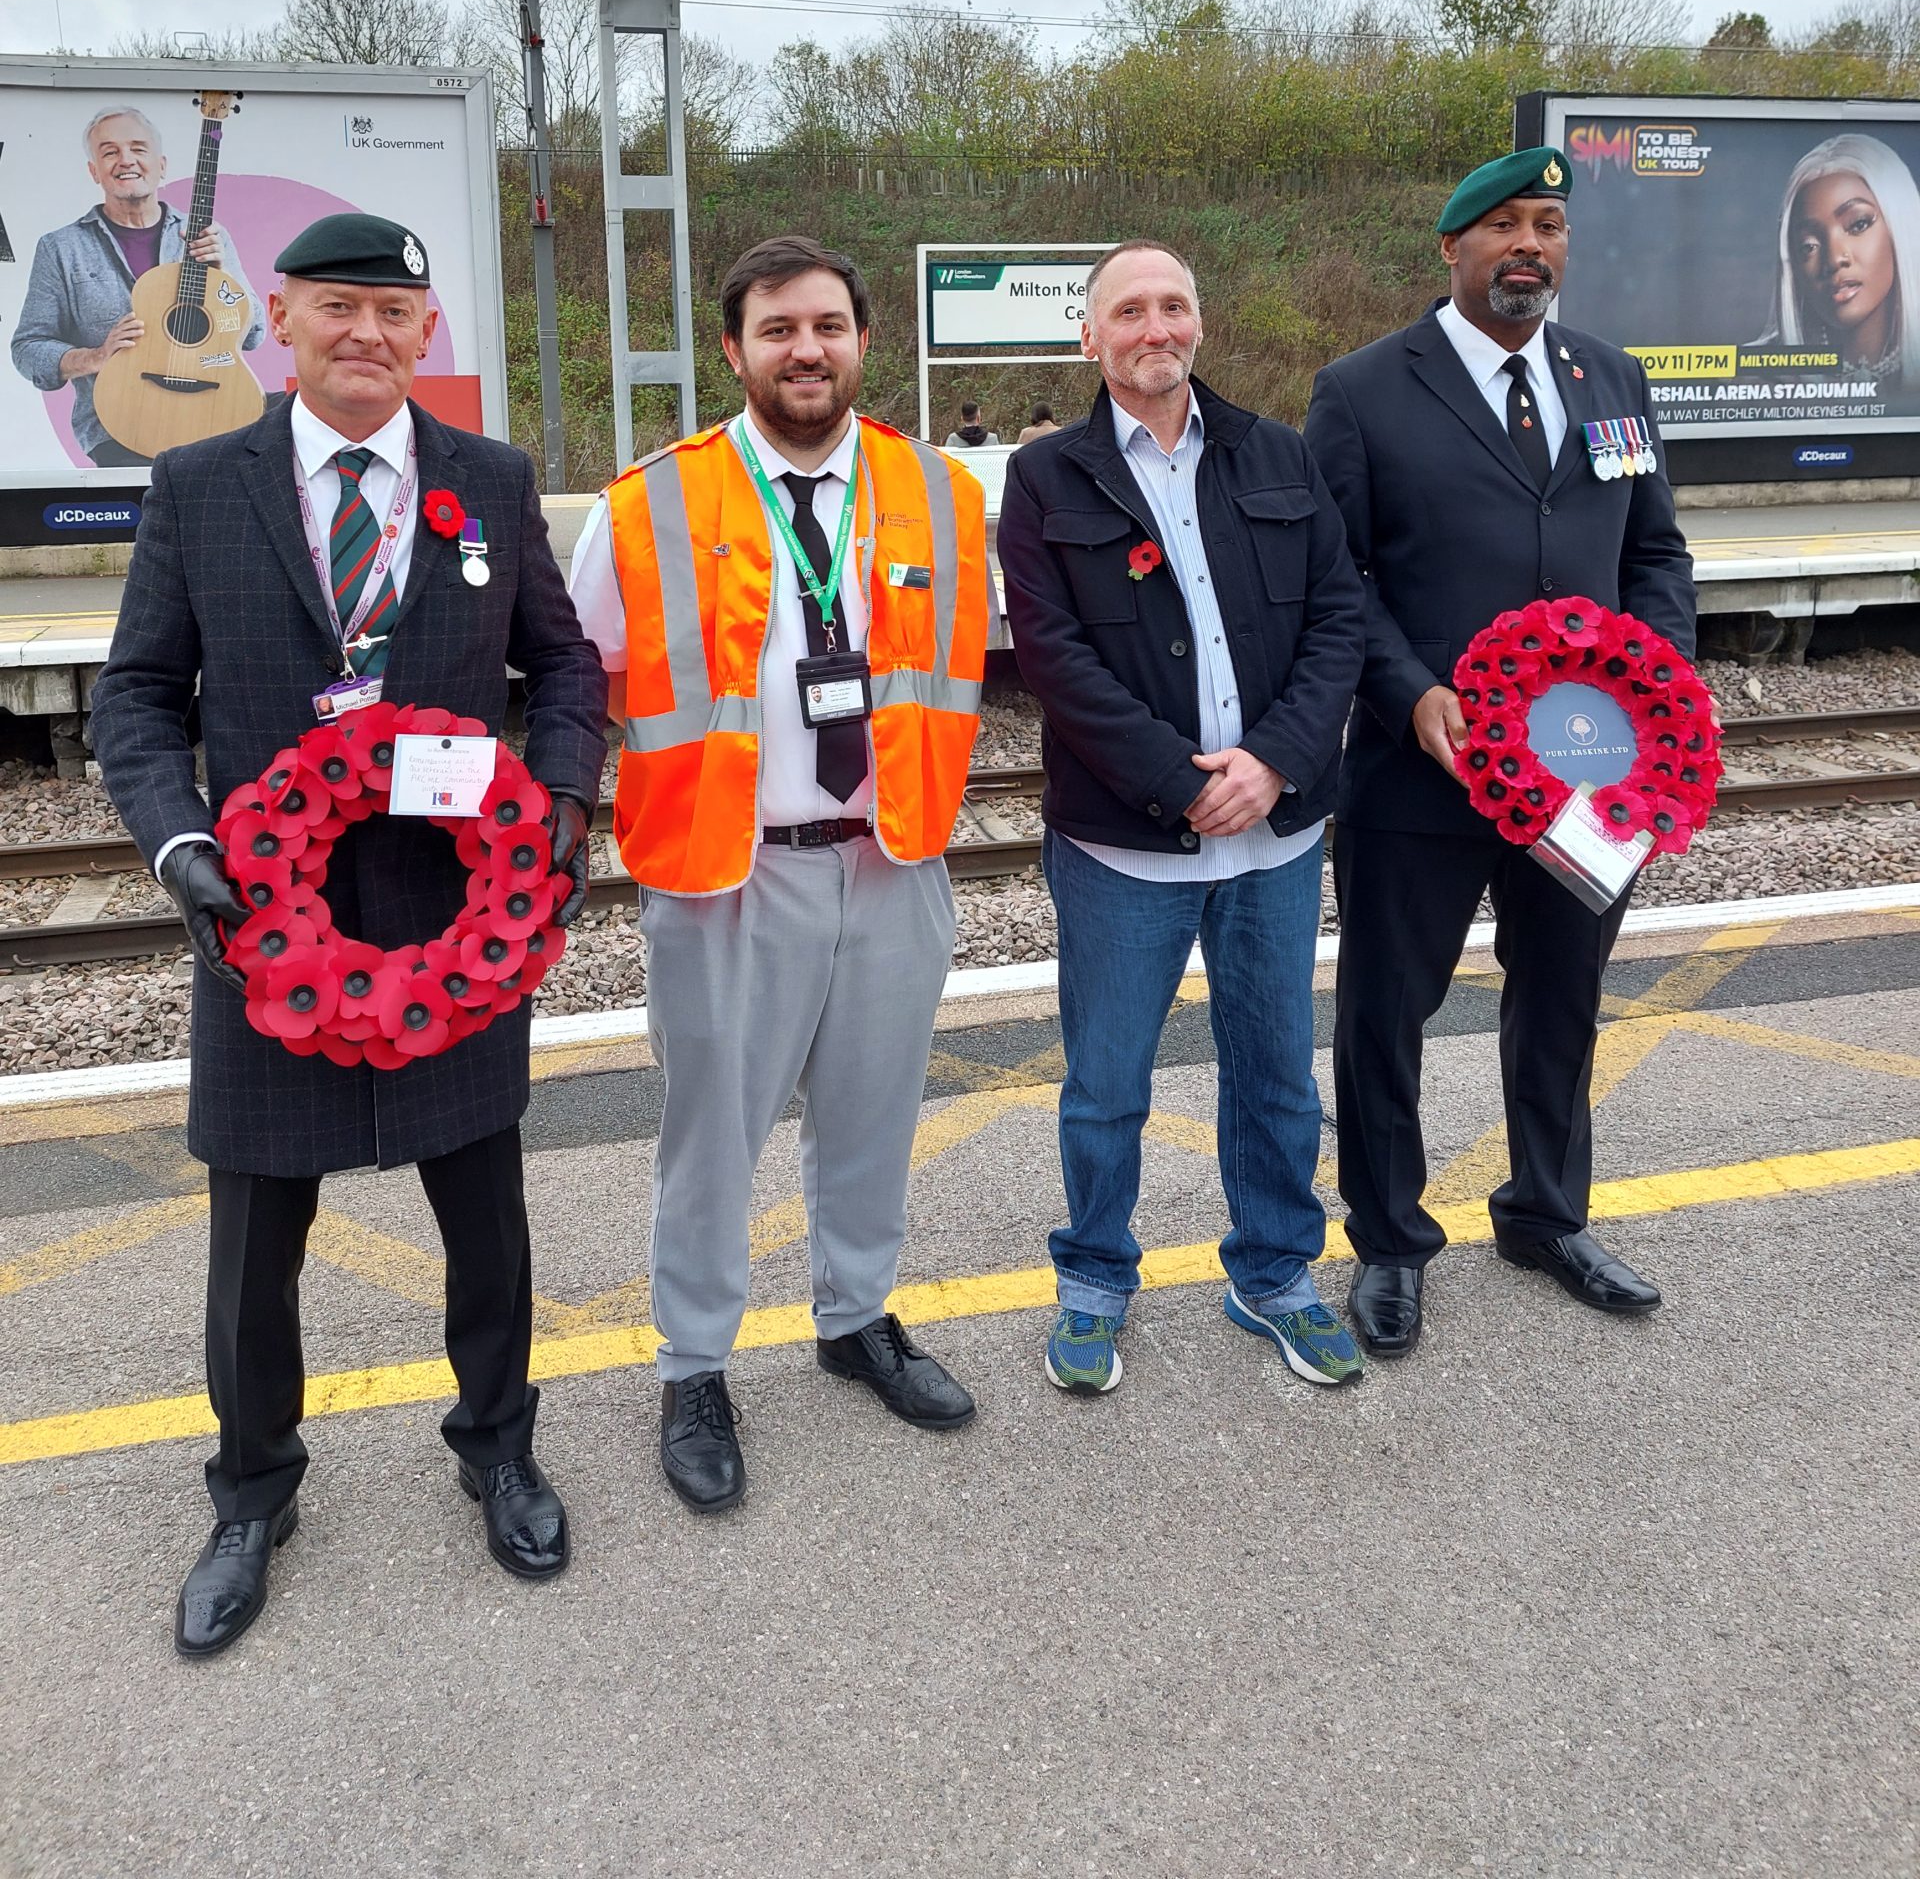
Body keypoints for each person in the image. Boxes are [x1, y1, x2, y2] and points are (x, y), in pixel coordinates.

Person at [88, 213, 606, 1656]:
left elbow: (562, 666)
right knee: (255, 1247)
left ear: (426, 336)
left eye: (392, 311)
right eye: (336, 308)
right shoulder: (201, 486)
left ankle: (498, 1447)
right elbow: (133, 700)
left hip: (458, 933)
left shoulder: (492, 483)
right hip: (268, 944)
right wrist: (182, 844)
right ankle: (252, 1492)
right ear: (284, 324)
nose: (366, 333)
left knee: (486, 1224)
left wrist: (563, 798)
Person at [568, 234, 989, 1513]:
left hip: (892, 853)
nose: (805, 350)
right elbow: (579, 683)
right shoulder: (646, 503)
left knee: (875, 1114)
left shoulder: (940, 492)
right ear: (736, 350)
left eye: (826, 326)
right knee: (713, 1139)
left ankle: (855, 1315)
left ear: (862, 339)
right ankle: (695, 1362)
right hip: (726, 869)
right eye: (776, 330)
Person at [1303, 145, 1695, 1358]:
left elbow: (1655, 557)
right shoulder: (1364, 388)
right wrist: (1411, 691)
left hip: (1587, 778)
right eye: (1506, 227)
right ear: (1453, 247)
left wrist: (1657, 690)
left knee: (1564, 995)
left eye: (1551, 226)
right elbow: (1336, 580)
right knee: (1386, 1009)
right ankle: (1389, 1242)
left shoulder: (1612, 379)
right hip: (1424, 769)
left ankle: (1545, 1214)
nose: (1532, 246)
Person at [997, 241, 1368, 1395]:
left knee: (1278, 1075)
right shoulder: (1046, 477)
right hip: (1123, 845)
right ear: (1090, 338)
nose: (1155, 328)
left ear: (1197, 322)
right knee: (1107, 1083)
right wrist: (1180, 778)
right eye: (1129, 312)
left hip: (1275, 835)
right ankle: (1097, 1279)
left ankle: (1275, 1274)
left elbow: (1340, 623)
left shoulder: (1277, 454)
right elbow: (1053, 660)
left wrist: (1273, 762)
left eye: (1174, 306)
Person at [10, 104, 265, 464]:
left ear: (161, 165)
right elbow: (28, 348)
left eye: (138, 149)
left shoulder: (208, 236)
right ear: (93, 171)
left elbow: (254, 335)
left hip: (216, 423)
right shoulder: (61, 248)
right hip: (119, 429)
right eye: (109, 152)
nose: (125, 160)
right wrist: (95, 358)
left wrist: (225, 277)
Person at [1771, 131, 1920, 390]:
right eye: (1809, 245)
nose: (1835, 259)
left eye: (1858, 224)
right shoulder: (1764, 376)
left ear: (1900, 227)